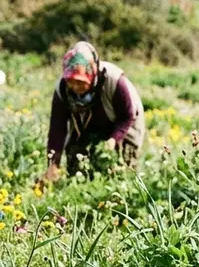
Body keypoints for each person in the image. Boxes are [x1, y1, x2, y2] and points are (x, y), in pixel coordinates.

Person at [42, 41, 145, 182]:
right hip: (87, 123)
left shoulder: (114, 81)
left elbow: (127, 116)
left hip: (122, 122)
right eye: (71, 81)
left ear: (92, 75)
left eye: (80, 82)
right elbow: (57, 128)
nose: (75, 87)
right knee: (77, 166)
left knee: (120, 169)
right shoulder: (62, 88)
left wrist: (113, 139)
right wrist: (53, 164)